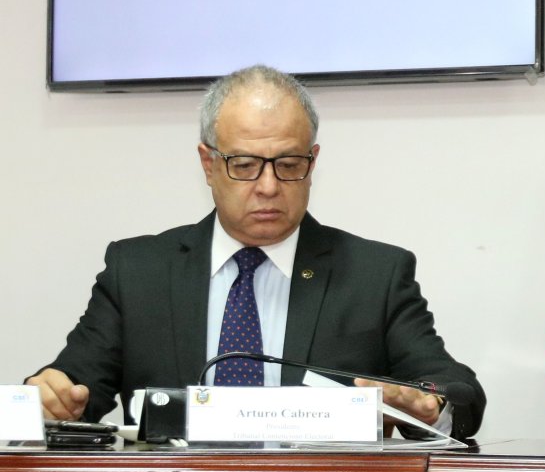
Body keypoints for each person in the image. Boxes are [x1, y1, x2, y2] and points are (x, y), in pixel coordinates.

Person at [26, 65, 485, 440]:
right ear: (208, 164)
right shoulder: (138, 271)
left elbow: (455, 388)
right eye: (244, 165)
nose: (268, 187)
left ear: (313, 163)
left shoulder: (374, 275)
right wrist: (46, 396)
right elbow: (72, 386)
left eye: (288, 165)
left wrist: (429, 407)